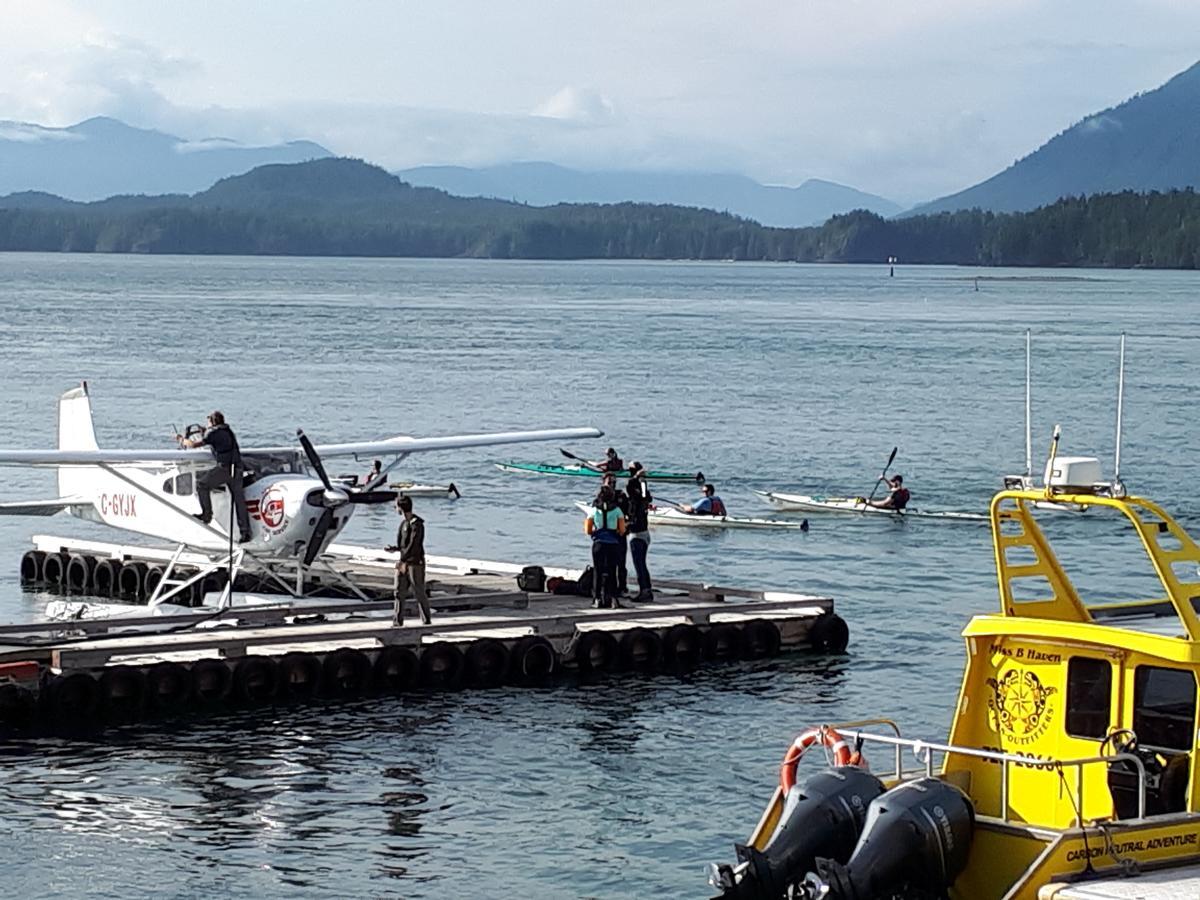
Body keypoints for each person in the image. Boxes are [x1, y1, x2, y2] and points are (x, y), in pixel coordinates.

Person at [177, 411, 252, 543]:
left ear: (212, 422)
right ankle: (245, 532)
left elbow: (194, 445)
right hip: (238, 468)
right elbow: (217, 437)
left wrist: (182, 440)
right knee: (239, 500)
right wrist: (205, 431)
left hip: (225, 469)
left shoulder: (212, 433)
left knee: (202, 484)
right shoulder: (228, 431)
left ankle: (206, 515)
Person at [386, 495, 431, 626]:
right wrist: (395, 549)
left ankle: (426, 621)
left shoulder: (417, 524)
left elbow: (414, 545)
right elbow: (403, 544)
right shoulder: (403, 524)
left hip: (414, 563)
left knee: (419, 592)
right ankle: (397, 621)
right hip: (403, 561)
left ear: (401, 508)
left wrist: (403, 560)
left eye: (397, 506)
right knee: (399, 591)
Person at [584, 483, 626, 609]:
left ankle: (597, 599)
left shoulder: (594, 510)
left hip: (599, 544)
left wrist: (596, 532)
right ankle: (613, 599)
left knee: (598, 570)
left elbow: (587, 530)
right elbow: (622, 530)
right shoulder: (618, 510)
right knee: (613, 571)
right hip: (613, 544)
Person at [597, 473, 631, 596]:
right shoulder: (600, 498)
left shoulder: (621, 496)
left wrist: (625, 527)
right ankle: (604, 589)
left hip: (619, 534)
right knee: (604, 564)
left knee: (621, 563)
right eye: (609, 482)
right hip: (605, 536)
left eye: (614, 483)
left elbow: (629, 514)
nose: (612, 485)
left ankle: (622, 587)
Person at [625, 461, 654, 602]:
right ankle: (646, 589)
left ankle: (645, 591)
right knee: (641, 564)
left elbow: (631, 486)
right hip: (644, 532)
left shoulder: (636, 490)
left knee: (639, 564)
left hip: (638, 533)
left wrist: (638, 478)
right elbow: (644, 495)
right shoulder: (643, 492)